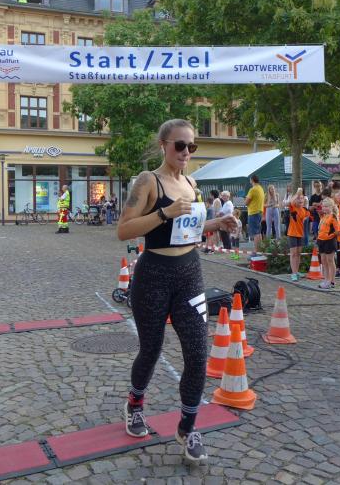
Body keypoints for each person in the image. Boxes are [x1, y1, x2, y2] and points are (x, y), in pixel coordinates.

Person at [117, 119, 239, 462]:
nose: (186, 152)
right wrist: (164, 212)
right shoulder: (148, 181)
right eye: (180, 145)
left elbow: (189, 230)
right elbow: (124, 230)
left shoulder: (191, 182)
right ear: (163, 145)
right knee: (151, 349)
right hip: (153, 274)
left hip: (189, 273)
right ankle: (134, 404)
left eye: (191, 146)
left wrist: (218, 223)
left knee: (198, 354)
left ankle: (187, 426)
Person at [316, 197, 340, 289]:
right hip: (321, 240)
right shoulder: (323, 216)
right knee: (323, 261)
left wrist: (330, 236)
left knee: (330, 260)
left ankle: (332, 281)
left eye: (327, 206)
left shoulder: (333, 216)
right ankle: (326, 279)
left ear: (331, 207)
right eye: (323, 206)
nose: (324, 208)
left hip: (330, 241)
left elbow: (339, 231)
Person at [286, 189, 309, 281]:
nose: (300, 200)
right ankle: (294, 273)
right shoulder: (293, 207)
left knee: (298, 253)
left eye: (301, 198)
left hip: (300, 234)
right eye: (298, 199)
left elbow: (308, 214)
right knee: (293, 253)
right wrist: (298, 193)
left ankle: (296, 271)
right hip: (292, 233)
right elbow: (291, 201)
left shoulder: (304, 210)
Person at [245, 175, 265, 256]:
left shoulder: (252, 189)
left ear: (252, 180)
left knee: (255, 233)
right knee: (259, 232)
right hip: (259, 212)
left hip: (253, 212)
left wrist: (245, 199)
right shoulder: (260, 188)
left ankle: (256, 252)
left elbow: (246, 202)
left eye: (250, 179)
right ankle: (260, 250)